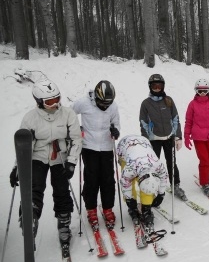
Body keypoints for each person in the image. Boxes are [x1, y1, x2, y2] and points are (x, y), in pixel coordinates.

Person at [9, 79, 82, 247]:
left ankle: (63, 224)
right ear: (40, 102)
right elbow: (23, 146)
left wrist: (71, 162)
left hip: (60, 156)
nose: (55, 104)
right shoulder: (30, 118)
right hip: (38, 156)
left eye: (57, 99)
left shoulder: (67, 113)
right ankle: (30, 218)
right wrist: (17, 168)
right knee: (34, 187)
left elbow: (76, 139)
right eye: (50, 101)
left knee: (62, 190)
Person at [72, 80, 120, 230]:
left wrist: (115, 131)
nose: (105, 106)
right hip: (89, 146)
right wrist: (75, 127)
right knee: (91, 179)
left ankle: (108, 209)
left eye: (108, 103)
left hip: (106, 146)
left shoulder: (113, 106)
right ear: (96, 97)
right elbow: (68, 114)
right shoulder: (83, 103)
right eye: (103, 103)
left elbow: (116, 123)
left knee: (108, 179)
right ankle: (91, 209)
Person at [140, 74, 186, 200]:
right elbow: (143, 123)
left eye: (159, 86)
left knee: (171, 162)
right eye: (154, 86)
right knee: (153, 166)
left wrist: (178, 136)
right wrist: (145, 141)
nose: (157, 88)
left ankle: (175, 185)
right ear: (150, 87)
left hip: (169, 138)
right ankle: (153, 188)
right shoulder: (146, 103)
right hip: (153, 139)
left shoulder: (168, 100)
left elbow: (175, 119)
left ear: (163, 86)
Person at [117, 135, 168, 230]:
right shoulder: (130, 168)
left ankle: (146, 209)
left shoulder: (158, 165)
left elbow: (164, 177)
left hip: (144, 144)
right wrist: (129, 199)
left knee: (148, 186)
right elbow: (125, 182)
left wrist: (161, 194)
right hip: (124, 147)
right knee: (130, 182)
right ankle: (133, 209)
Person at [184, 79, 209, 197]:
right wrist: (186, 136)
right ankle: (204, 182)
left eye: (205, 91)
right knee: (204, 160)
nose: (202, 93)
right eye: (200, 91)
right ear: (196, 91)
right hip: (198, 137)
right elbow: (188, 121)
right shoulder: (192, 104)